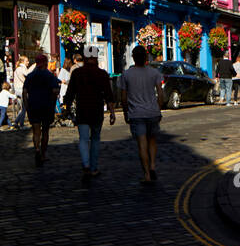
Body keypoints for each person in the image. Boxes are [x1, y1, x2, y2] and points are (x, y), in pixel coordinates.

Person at [64, 48, 117, 184]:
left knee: (83, 139)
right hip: (96, 111)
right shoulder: (102, 74)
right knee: (95, 139)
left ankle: (86, 165)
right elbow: (108, 95)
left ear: (85, 58)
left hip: (82, 110)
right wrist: (112, 113)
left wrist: (67, 107)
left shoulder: (77, 73)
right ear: (96, 57)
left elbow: (70, 93)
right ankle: (93, 168)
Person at [116, 45, 165, 185]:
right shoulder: (154, 73)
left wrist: (126, 113)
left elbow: (123, 98)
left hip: (136, 113)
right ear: (146, 57)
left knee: (142, 144)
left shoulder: (126, 75)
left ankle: (147, 174)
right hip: (152, 112)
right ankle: (153, 165)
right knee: (152, 140)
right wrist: (159, 109)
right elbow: (160, 94)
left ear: (133, 57)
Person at [23, 54, 62, 165]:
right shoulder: (50, 76)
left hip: (33, 105)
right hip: (46, 106)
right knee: (45, 131)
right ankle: (43, 154)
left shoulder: (30, 76)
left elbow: (24, 92)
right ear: (45, 63)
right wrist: (53, 104)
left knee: (36, 131)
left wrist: (27, 106)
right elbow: (55, 91)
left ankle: (36, 149)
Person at [56, 55, 75, 127]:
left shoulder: (70, 70)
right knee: (65, 104)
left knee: (68, 103)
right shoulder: (63, 70)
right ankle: (65, 116)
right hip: (64, 89)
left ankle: (67, 115)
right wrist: (64, 82)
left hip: (68, 88)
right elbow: (60, 80)